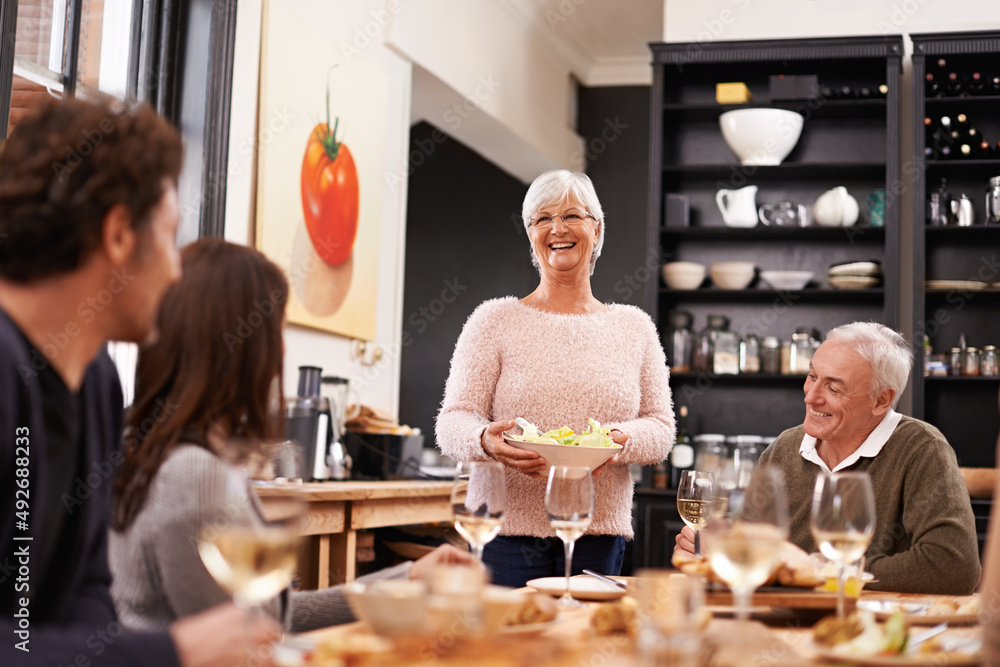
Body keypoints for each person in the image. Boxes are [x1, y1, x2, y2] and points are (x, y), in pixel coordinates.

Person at [0, 98, 280, 666]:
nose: (177, 270)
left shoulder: (98, 381)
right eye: (169, 236)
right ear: (120, 234)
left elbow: (84, 594)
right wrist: (170, 653)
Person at [110, 239, 479, 631]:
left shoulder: (181, 452)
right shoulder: (193, 472)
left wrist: (407, 580)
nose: (282, 348)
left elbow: (273, 614)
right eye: (277, 329)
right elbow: (248, 638)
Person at [436, 170, 675, 588]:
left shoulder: (635, 327)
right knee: (510, 649)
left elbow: (661, 429)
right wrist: (484, 441)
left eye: (572, 216)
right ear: (530, 234)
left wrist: (616, 441)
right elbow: (452, 421)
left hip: (597, 533)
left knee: (582, 648)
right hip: (504, 535)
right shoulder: (493, 320)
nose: (557, 229)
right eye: (542, 218)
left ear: (597, 229)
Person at [675, 321, 981, 595]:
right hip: (782, 628)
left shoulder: (922, 448)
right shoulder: (786, 446)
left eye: (833, 387)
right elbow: (751, 546)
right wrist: (711, 552)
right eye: (812, 376)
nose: (810, 396)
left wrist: (819, 571)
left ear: (881, 399)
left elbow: (953, 568)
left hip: (869, 634)